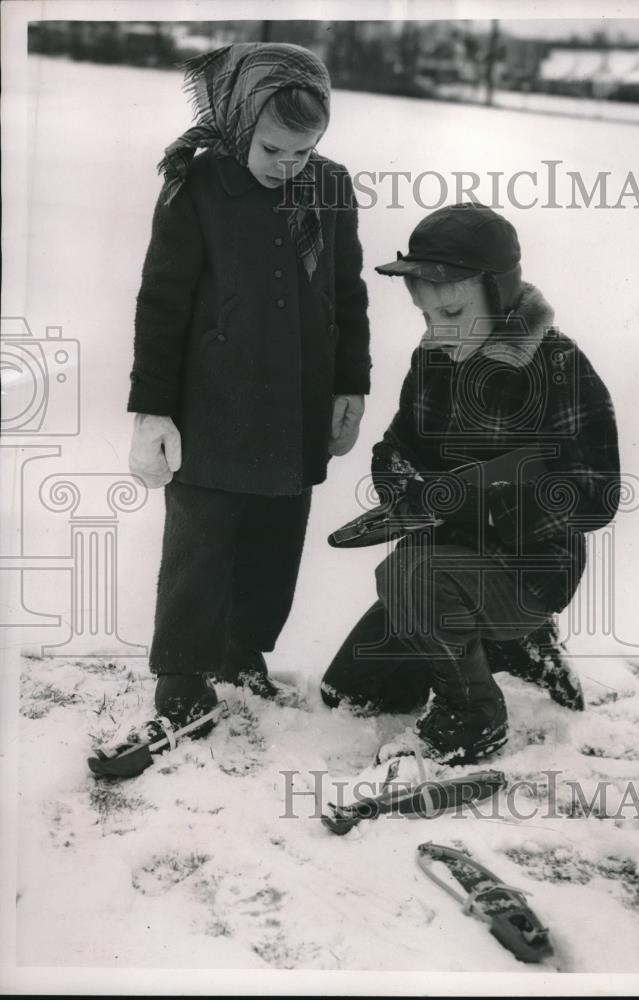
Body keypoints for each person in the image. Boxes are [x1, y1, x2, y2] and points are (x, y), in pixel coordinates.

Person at [126, 43, 371, 736]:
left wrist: (348, 388)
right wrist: (152, 410)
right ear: (237, 123)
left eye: (302, 151)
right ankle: (180, 677)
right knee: (200, 544)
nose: (286, 166)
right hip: (212, 405)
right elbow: (162, 302)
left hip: (295, 402)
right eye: (271, 150)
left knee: (274, 536)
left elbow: (346, 294)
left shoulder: (328, 185)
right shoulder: (196, 184)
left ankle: (241, 654)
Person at [320, 203, 620, 765]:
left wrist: (481, 499)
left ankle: (474, 715)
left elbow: (597, 496)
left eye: (453, 311)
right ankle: (514, 647)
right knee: (351, 692)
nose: (438, 331)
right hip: (451, 561)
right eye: (427, 315)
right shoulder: (434, 359)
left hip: (532, 567)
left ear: (500, 293)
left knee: (407, 576)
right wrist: (401, 481)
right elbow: (397, 445)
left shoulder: (558, 367)